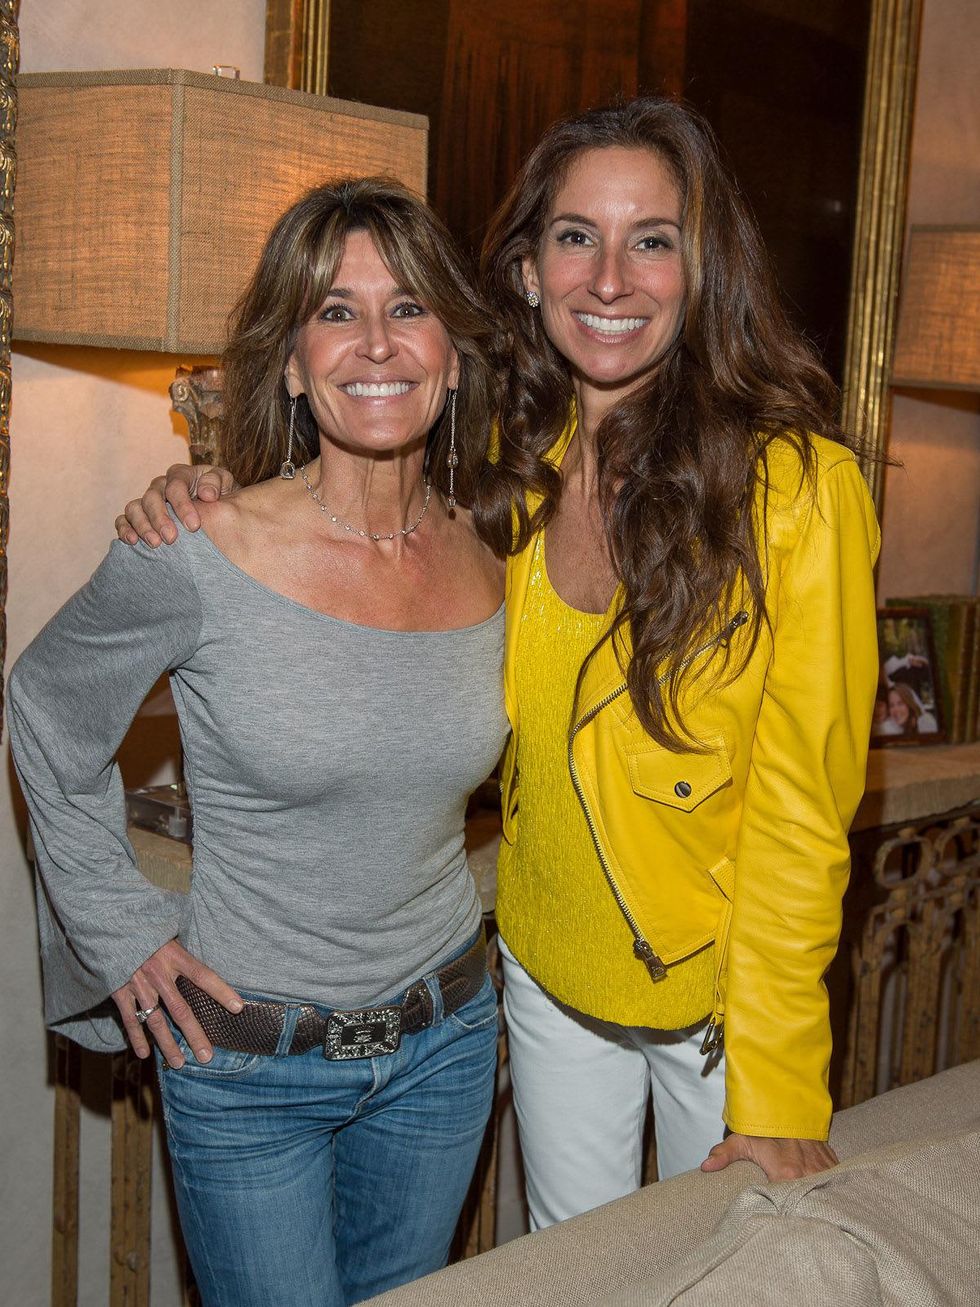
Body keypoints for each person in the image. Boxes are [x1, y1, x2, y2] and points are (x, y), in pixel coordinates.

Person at [115, 99, 880, 1229]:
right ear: (525, 272)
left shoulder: (795, 490)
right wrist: (198, 490)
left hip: (714, 1001)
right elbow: (362, 544)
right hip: (538, 970)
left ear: (701, 267)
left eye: (651, 239)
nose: (609, 277)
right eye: (575, 237)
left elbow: (803, 816)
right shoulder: (508, 473)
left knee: (725, 1266)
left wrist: (773, 1083)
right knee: (568, 1275)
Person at [9, 179, 508, 1307]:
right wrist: (123, 924)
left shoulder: (491, 556)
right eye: (334, 310)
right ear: (287, 362)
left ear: (454, 352)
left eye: (409, 306)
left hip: (446, 1044)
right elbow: (45, 706)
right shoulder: (197, 543)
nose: (375, 341)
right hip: (246, 1068)